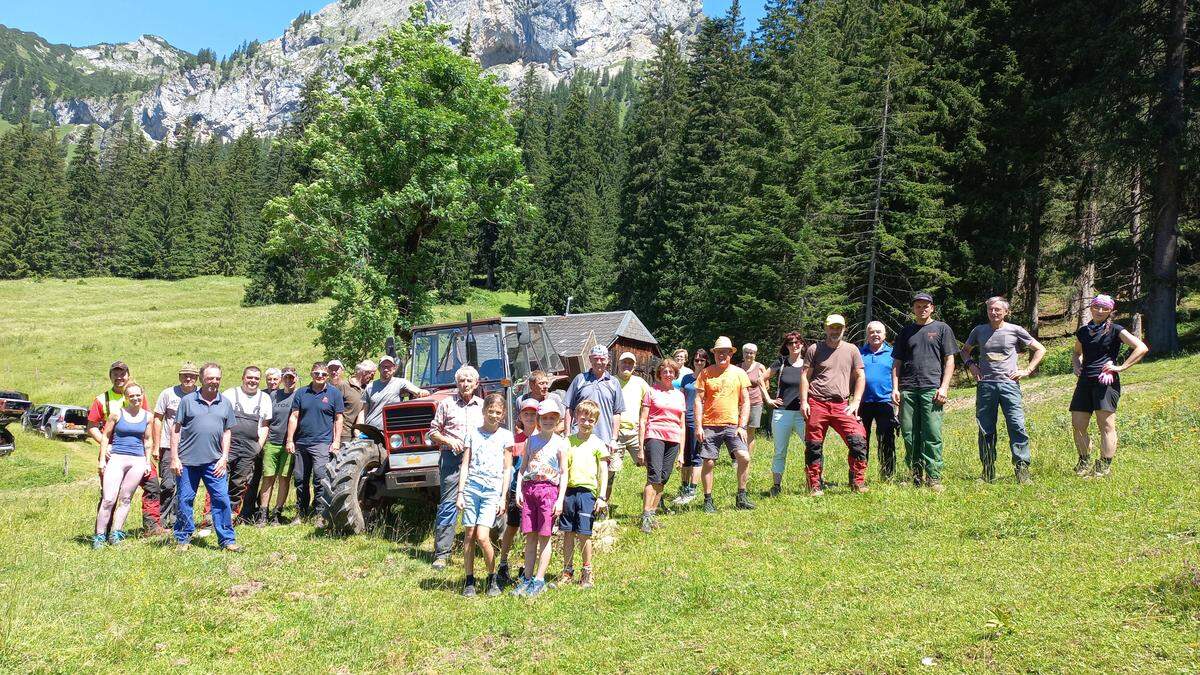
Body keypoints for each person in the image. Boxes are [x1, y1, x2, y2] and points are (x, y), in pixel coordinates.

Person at [961, 297, 1048, 484]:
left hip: (1009, 386)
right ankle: (988, 471)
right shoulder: (979, 331)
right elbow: (965, 350)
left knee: (1016, 425)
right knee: (986, 428)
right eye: (991, 309)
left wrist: (1028, 370)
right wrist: (972, 366)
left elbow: (1040, 349)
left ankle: (1022, 469)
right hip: (986, 386)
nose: (994, 313)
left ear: (1006, 312)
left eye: (998, 310)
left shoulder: (1015, 330)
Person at [1068, 294, 1148, 478]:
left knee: (1106, 425)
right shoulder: (1084, 331)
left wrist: (1120, 367)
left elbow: (1141, 347)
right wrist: (1076, 364)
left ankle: (1104, 465)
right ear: (1091, 308)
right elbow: (1076, 352)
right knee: (1078, 424)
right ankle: (1084, 461)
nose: (1100, 311)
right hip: (1085, 381)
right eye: (1097, 307)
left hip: (1106, 382)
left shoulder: (1116, 330)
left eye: (1105, 308)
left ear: (1110, 310)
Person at [170, 363, 241, 552]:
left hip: (214, 462)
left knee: (221, 499)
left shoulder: (224, 403)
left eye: (217, 378)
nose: (214, 382)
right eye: (210, 378)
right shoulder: (188, 401)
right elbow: (175, 430)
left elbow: (227, 432)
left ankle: (227, 540)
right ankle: (183, 538)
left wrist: (224, 458)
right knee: (185, 499)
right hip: (187, 462)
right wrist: (175, 458)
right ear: (202, 379)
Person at [892, 292, 958, 492]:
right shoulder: (906, 332)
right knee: (910, 434)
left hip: (932, 389)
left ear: (932, 307)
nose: (922, 309)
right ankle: (915, 474)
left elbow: (950, 360)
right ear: (913, 308)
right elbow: (896, 363)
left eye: (926, 306)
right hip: (908, 389)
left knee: (932, 433)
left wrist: (944, 387)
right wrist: (895, 388)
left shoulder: (942, 329)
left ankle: (933, 477)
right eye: (918, 306)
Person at [88, 360, 159, 535]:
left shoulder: (138, 396)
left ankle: (151, 527)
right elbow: (92, 427)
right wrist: (107, 446)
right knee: (108, 495)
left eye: (123, 374)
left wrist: (150, 452)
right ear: (110, 376)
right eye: (116, 374)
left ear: (128, 375)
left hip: (137, 454)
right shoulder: (101, 399)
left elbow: (146, 425)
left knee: (152, 485)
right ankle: (102, 533)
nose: (119, 377)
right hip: (112, 454)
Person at [801, 315, 869, 495]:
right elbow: (805, 377)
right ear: (825, 328)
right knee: (814, 445)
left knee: (858, 439)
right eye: (832, 327)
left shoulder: (852, 350)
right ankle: (814, 485)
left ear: (844, 329)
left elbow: (860, 376)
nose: (835, 331)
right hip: (817, 403)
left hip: (842, 404)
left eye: (839, 328)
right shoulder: (814, 349)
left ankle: (857, 482)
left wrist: (856, 401)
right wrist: (803, 402)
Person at [455, 393, 514, 597]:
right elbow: (465, 464)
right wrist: (460, 492)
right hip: (471, 488)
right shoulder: (472, 434)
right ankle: (469, 580)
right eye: (490, 411)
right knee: (469, 535)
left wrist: (502, 496)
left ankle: (492, 577)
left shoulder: (506, 436)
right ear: (483, 412)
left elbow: (507, 469)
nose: (494, 416)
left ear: (503, 414)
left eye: (498, 412)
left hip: (491, 491)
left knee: (483, 536)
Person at [427, 365, 484, 571]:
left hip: (477, 460)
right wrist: (449, 441)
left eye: (469, 380)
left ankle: (482, 546)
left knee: (480, 501)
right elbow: (432, 432)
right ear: (457, 383)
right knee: (449, 504)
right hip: (451, 460)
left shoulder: (483, 406)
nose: (465, 384)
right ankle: (442, 554)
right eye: (462, 380)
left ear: (476, 384)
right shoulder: (447, 404)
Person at [512, 399, 569, 598]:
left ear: (558, 420)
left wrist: (560, 499)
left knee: (545, 537)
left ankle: (539, 579)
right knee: (530, 537)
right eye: (544, 418)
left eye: (552, 418)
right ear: (538, 419)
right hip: (529, 490)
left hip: (549, 491)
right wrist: (518, 490)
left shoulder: (561, 443)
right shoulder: (531, 441)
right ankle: (526, 578)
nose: (548, 421)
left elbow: (563, 472)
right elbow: (523, 467)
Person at [695, 336, 754, 512]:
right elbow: (698, 401)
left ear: (731, 354)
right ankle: (708, 500)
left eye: (725, 352)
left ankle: (741, 496)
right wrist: (698, 426)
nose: (722, 355)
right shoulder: (705, 373)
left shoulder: (739, 373)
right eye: (718, 352)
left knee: (744, 457)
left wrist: (742, 426)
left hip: (733, 425)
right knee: (709, 462)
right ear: (714, 354)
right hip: (710, 425)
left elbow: (746, 401)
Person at [563, 345, 624, 510]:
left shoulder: (613, 382)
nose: (599, 362)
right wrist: (567, 432)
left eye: (603, 358)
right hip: (578, 436)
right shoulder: (580, 379)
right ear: (590, 360)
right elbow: (569, 406)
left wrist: (614, 438)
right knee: (577, 472)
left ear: (608, 361)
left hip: (603, 438)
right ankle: (572, 508)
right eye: (596, 358)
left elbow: (616, 412)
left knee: (606, 474)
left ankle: (601, 505)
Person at [93, 382, 153, 548]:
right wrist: (102, 460)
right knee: (108, 499)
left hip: (137, 460)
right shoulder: (116, 414)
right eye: (131, 395)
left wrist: (148, 462)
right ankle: (99, 536)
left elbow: (148, 440)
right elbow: (105, 436)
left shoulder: (148, 416)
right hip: (117, 458)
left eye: (138, 395)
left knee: (126, 499)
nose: (135, 398)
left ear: (142, 395)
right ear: (126, 398)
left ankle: (116, 533)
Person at [558, 400, 609, 589]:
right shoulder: (568, 442)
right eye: (583, 419)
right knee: (568, 533)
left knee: (584, 534)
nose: (586, 423)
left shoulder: (597, 443)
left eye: (591, 420)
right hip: (569, 492)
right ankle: (567, 570)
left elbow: (603, 470)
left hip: (588, 493)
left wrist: (602, 497)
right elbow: (562, 469)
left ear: (596, 422)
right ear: (576, 419)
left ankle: (587, 571)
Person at [286, 362, 345, 524]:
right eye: (317, 373)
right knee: (300, 479)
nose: (320, 376)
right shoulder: (301, 392)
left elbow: (339, 419)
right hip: (301, 442)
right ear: (311, 374)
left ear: (327, 376)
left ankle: (320, 514)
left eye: (323, 374)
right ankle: (301, 513)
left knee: (320, 479)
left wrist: (336, 441)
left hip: (322, 443)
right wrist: (290, 440)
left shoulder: (334, 394)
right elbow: (294, 416)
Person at [496, 398, 539, 589]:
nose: (530, 417)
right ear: (520, 416)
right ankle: (503, 563)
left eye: (533, 414)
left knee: (530, 531)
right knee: (512, 526)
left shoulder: (543, 438)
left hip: (535, 492)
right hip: (516, 491)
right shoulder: (514, 441)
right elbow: (508, 468)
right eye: (526, 414)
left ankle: (526, 567)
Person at [639, 359, 685, 532]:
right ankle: (645, 516)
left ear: (675, 374)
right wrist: (640, 444)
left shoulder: (679, 395)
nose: (668, 374)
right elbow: (643, 420)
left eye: (671, 372)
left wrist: (681, 453)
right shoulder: (651, 392)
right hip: (654, 436)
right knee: (654, 476)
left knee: (664, 478)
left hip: (673, 438)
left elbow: (682, 426)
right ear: (659, 374)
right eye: (664, 371)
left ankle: (652, 513)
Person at [152, 362, 199, 529]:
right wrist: (156, 446)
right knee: (168, 484)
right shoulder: (167, 393)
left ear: (197, 378)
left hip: (191, 447)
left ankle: (180, 519)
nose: (188, 378)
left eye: (192, 376)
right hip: (168, 446)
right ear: (179, 377)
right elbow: (157, 418)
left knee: (186, 486)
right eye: (185, 375)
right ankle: (161, 520)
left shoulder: (201, 395)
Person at [223, 366, 271, 522]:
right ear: (243, 377)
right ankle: (213, 516)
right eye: (250, 377)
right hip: (230, 444)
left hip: (250, 446)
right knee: (220, 479)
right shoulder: (230, 394)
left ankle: (230, 516)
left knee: (239, 482)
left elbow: (264, 425)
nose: (253, 381)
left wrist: (258, 446)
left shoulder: (264, 398)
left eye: (256, 378)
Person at [257, 366, 298, 525]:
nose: (288, 380)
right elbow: (265, 419)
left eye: (291, 377)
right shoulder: (273, 395)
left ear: (296, 378)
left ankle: (277, 513)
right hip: (272, 441)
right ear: (282, 379)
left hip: (289, 444)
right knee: (268, 478)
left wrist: (291, 439)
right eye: (285, 378)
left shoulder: (298, 396)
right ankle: (263, 513)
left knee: (284, 478)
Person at [767, 333, 806, 495]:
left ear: (802, 344)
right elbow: (761, 378)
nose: (794, 345)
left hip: (803, 414)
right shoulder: (781, 363)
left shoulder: (808, 363)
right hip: (782, 414)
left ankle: (816, 481)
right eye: (790, 343)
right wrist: (768, 399)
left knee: (813, 448)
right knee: (780, 450)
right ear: (786, 346)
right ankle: (776, 486)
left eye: (797, 342)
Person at [860, 323, 899, 481]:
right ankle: (859, 475)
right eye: (871, 332)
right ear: (867, 335)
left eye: (878, 332)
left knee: (886, 439)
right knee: (860, 440)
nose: (875, 334)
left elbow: (898, 377)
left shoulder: (892, 354)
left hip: (885, 402)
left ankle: (888, 475)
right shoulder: (859, 353)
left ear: (885, 334)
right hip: (863, 402)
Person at [612, 352, 650, 502]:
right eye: (624, 362)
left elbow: (652, 398)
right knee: (609, 471)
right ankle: (603, 506)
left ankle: (655, 501)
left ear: (634, 366)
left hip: (635, 432)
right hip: (615, 433)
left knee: (651, 466)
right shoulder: (611, 381)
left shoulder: (640, 382)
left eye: (630, 363)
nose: (626, 365)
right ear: (618, 364)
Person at [672, 349, 708, 505]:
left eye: (702, 360)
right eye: (696, 360)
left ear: (706, 361)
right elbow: (681, 396)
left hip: (698, 420)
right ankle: (684, 487)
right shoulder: (686, 378)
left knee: (696, 455)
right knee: (684, 455)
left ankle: (693, 489)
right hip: (684, 419)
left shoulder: (709, 377)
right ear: (692, 362)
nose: (699, 362)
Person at [360, 355, 428, 434]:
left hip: (390, 431)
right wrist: (359, 430)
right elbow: (363, 411)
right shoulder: (370, 387)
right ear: (379, 369)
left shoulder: (401, 383)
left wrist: (422, 392)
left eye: (389, 366)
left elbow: (417, 391)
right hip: (371, 430)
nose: (386, 369)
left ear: (394, 368)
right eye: (383, 366)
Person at [333, 360, 370, 441]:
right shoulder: (343, 386)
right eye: (369, 373)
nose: (371, 376)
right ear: (362, 373)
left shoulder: (367, 388)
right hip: (344, 434)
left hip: (360, 435)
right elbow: (333, 409)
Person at [742, 343, 770, 447]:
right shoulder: (738, 367)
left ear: (755, 354)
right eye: (746, 352)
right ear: (743, 353)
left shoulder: (760, 367)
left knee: (750, 431)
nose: (748, 355)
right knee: (739, 429)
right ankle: (737, 459)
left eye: (751, 353)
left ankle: (747, 459)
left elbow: (766, 386)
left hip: (755, 403)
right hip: (740, 404)